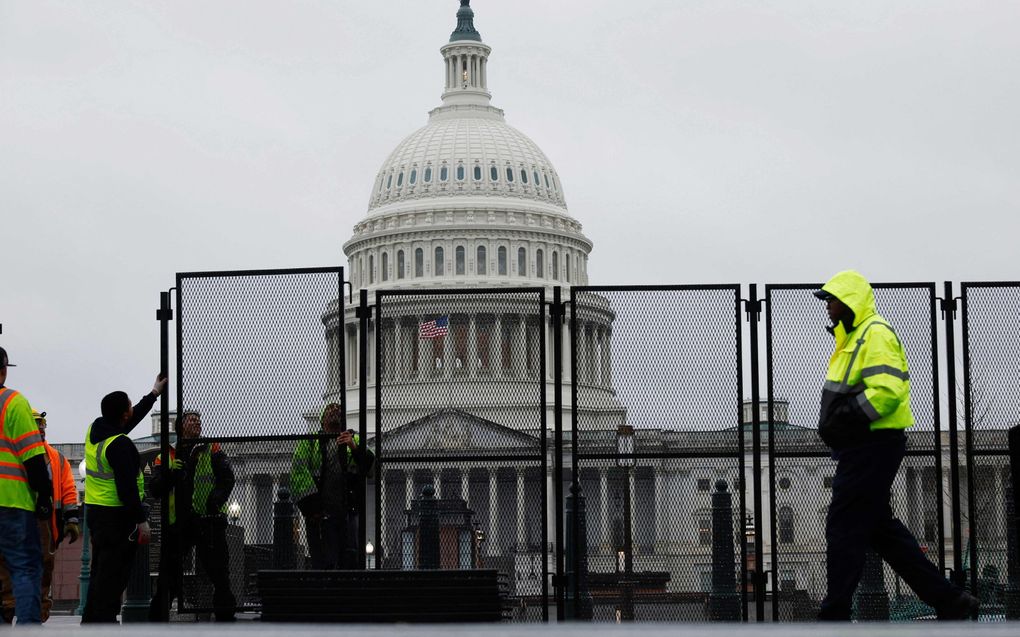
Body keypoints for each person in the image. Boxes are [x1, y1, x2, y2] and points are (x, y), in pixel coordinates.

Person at [814, 270, 979, 620]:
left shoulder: (873, 334)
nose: (827, 306)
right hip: (866, 446)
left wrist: (845, 419)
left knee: (843, 525)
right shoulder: (856, 336)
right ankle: (951, 600)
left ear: (849, 302)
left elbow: (887, 392)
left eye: (831, 299)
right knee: (881, 531)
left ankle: (834, 612)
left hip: (870, 445)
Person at [80, 374, 166, 624]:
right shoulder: (121, 446)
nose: (131, 409)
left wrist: (153, 394)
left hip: (96, 515)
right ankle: (104, 625)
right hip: (117, 519)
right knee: (113, 580)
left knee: (99, 576)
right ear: (123, 415)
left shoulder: (96, 430)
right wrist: (141, 521)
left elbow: (128, 421)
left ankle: (91, 623)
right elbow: (127, 489)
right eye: (129, 406)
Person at [148, 409, 236, 622]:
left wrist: (215, 501)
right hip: (178, 522)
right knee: (169, 572)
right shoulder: (165, 455)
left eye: (198, 419)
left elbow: (227, 478)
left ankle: (225, 612)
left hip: (208, 519)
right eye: (191, 420)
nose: (197, 422)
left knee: (218, 571)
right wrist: (171, 475)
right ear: (180, 427)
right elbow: (155, 489)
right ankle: (158, 615)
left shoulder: (212, 449)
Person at [0, 408, 80, 624]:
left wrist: (71, 518)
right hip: (18, 516)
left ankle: (36, 614)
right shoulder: (13, 453)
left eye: (43, 426)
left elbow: (68, 489)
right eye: (37, 425)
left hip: (44, 521)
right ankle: (8, 609)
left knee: (43, 567)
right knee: (8, 567)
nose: (41, 430)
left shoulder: (56, 458)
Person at [0, 347, 52, 625]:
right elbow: (33, 456)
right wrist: (44, 494)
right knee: (25, 569)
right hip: (12, 503)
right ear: (4, 369)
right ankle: (28, 630)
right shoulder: (13, 402)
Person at [291, 403, 373, 569]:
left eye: (338, 411)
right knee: (323, 562)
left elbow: (372, 469)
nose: (335, 412)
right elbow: (298, 474)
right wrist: (312, 509)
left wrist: (354, 447)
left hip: (348, 512)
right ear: (322, 420)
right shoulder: (310, 442)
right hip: (320, 513)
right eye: (330, 411)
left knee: (350, 560)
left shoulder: (355, 440)